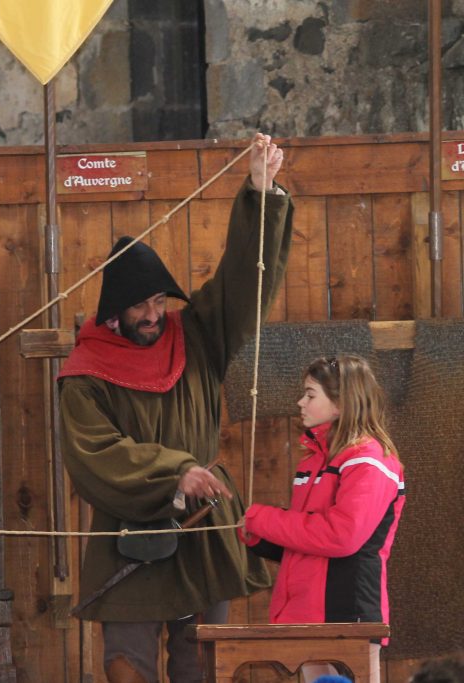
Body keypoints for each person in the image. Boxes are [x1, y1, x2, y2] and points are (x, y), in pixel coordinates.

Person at [59, 132, 293, 683]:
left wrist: (262, 191)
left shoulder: (197, 334)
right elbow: (97, 454)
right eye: (140, 304)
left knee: (201, 662)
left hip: (201, 529)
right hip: (129, 540)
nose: (153, 314)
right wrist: (176, 472)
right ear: (114, 312)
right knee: (127, 666)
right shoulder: (85, 375)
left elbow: (243, 283)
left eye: (160, 300)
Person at [241, 355, 405, 683]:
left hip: (347, 608)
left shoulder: (368, 460)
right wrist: (256, 534)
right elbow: (306, 541)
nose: (300, 402)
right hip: (307, 608)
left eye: (310, 394)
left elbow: (341, 536)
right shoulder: (314, 460)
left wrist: (262, 518)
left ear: (341, 403)